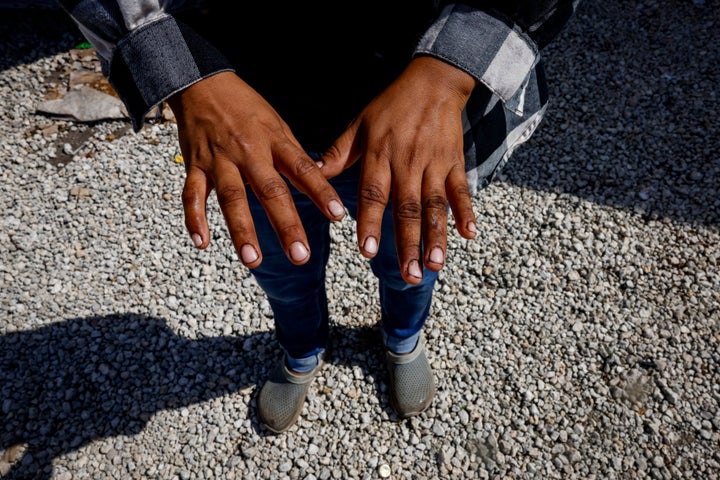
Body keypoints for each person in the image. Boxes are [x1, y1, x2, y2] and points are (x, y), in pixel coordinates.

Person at [58, 0, 578, 433]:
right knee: (284, 271)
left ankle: (402, 338)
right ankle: (303, 347)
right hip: (244, 109)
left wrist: (453, 66)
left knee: (411, 261)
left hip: (411, 99)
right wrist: (183, 74)